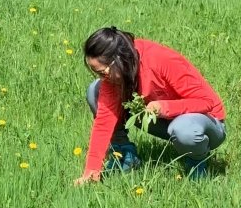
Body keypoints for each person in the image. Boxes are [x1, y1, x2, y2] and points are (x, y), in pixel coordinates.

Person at [74, 26, 226, 185]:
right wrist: (91, 171)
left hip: (207, 124)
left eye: (103, 73)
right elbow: (104, 121)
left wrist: (165, 107)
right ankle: (125, 155)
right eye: (97, 73)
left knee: (184, 129)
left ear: (118, 60)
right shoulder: (116, 73)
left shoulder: (159, 59)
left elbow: (206, 101)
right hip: (165, 121)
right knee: (95, 91)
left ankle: (197, 161)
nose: (102, 78)